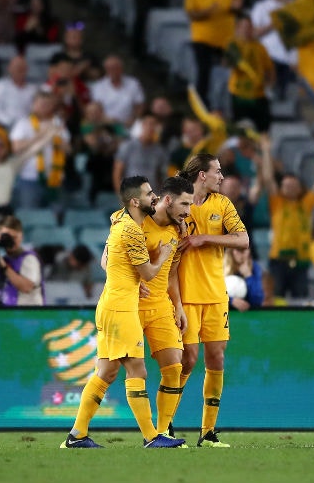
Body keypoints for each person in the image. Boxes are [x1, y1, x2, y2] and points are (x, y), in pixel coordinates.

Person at [60, 175, 184, 449]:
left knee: (105, 372)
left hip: (112, 305)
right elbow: (150, 273)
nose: (155, 197)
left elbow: (115, 263)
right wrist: (162, 255)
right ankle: (152, 436)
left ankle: (76, 435)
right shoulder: (130, 230)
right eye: (149, 193)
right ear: (135, 201)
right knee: (137, 369)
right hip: (120, 309)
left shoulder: (123, 222)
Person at [176, 153, 249, 448]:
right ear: (202, 175)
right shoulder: (177, 202)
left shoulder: (222, 204)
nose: (222, 176)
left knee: (216, 357)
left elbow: (242, 240)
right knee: (187, 360)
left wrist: (206, 238)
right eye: (218, 171)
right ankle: (164, 426)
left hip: (215, 295)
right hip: (185, 295)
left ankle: (208, 432)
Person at [124, 176, 194, 437]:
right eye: (184, 204)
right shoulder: (136, 221)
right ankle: (79, 432)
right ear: (167, 200)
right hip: (130, 305)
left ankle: (162, 434)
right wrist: (130, 281)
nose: (188, 212)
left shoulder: (178, 230)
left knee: (175, 366)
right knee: (109, 372)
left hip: (161, 305)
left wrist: (178, 306)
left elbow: (172, 272)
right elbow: (107, 260)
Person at [255, 135, 314, 302]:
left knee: (300, 302)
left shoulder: (306, 204)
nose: (290, 188)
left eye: (294, 185)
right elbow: (268, 178)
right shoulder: (277, 202)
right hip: (279, 261)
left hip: (301, 262)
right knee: (276, 300)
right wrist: (265, 150)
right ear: (282, 188)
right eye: (286, 185)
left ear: (300, 187)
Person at [0, 126, 57, 234]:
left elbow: (33, 150)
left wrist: (50, 133)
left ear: (4, 148)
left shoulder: (11, 165)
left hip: (2, 213)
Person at [184, 0, 243, 107]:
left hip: (227, 37)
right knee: (204, 71)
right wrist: (208, 11)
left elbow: (237, 8)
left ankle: (238, 101)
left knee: (238, 69)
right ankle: (201, 104)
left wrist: (236, 7)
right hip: (203, 37)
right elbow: (192, 14)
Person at [226, 15, 275, 133]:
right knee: (240, 129)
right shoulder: (233, 46)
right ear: (237, 28)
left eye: (249, 27)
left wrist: (269, 84)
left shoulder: (260, 47)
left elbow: (269, 69)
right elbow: (233, 64)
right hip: (239, 94)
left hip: (258, 94)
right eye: (244, 27)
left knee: (263, 130)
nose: (247, 30)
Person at [112, 113, 169, 197]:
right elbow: (117, 173)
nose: (151, 127)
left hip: (152, 196)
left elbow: (160, 177)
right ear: (142, 125)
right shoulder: (128, 146)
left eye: (154, 124)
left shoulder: (160, 151)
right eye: (148, 124)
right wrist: (121, 197)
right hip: (132, 195)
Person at [0, 215, 43, 306]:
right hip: (6, 314)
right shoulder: (0, 257)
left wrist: (4, 266)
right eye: (7, 237)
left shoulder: (29, 259)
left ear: (21, 237)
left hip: (28, 315)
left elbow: (26, 287)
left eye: (14, 238)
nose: (11, 242)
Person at [90, 56, 146, 128]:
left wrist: (133, 119)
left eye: (115, 68)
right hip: (106, 124)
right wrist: (108, 121)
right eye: (109, 68)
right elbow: (95, 108)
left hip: (130, 124)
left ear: (121, 68)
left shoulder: (133, 83)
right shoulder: (98, 86)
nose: (112, 71)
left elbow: (140, 105)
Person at [0, 56, 36, 129]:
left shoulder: (33, 89)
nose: (19, 70)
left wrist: (24, 124)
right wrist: (11, 123)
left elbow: (35, 111)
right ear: (9, 69)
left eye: (22, 68)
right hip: (4, 125)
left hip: (27, 126)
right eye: (16, 68)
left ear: (27, 70)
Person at [224, 246, 265, 311]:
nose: (241, 254)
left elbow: (257, 301)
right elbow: (213, 293)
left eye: (244, 250)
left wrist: (248, 276)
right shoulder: (221, 266)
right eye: (238, 250)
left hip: (246, 312)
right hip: (225, 312)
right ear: (231, 251)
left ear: (249, 251)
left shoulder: (255, 267)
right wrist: (231, 300)